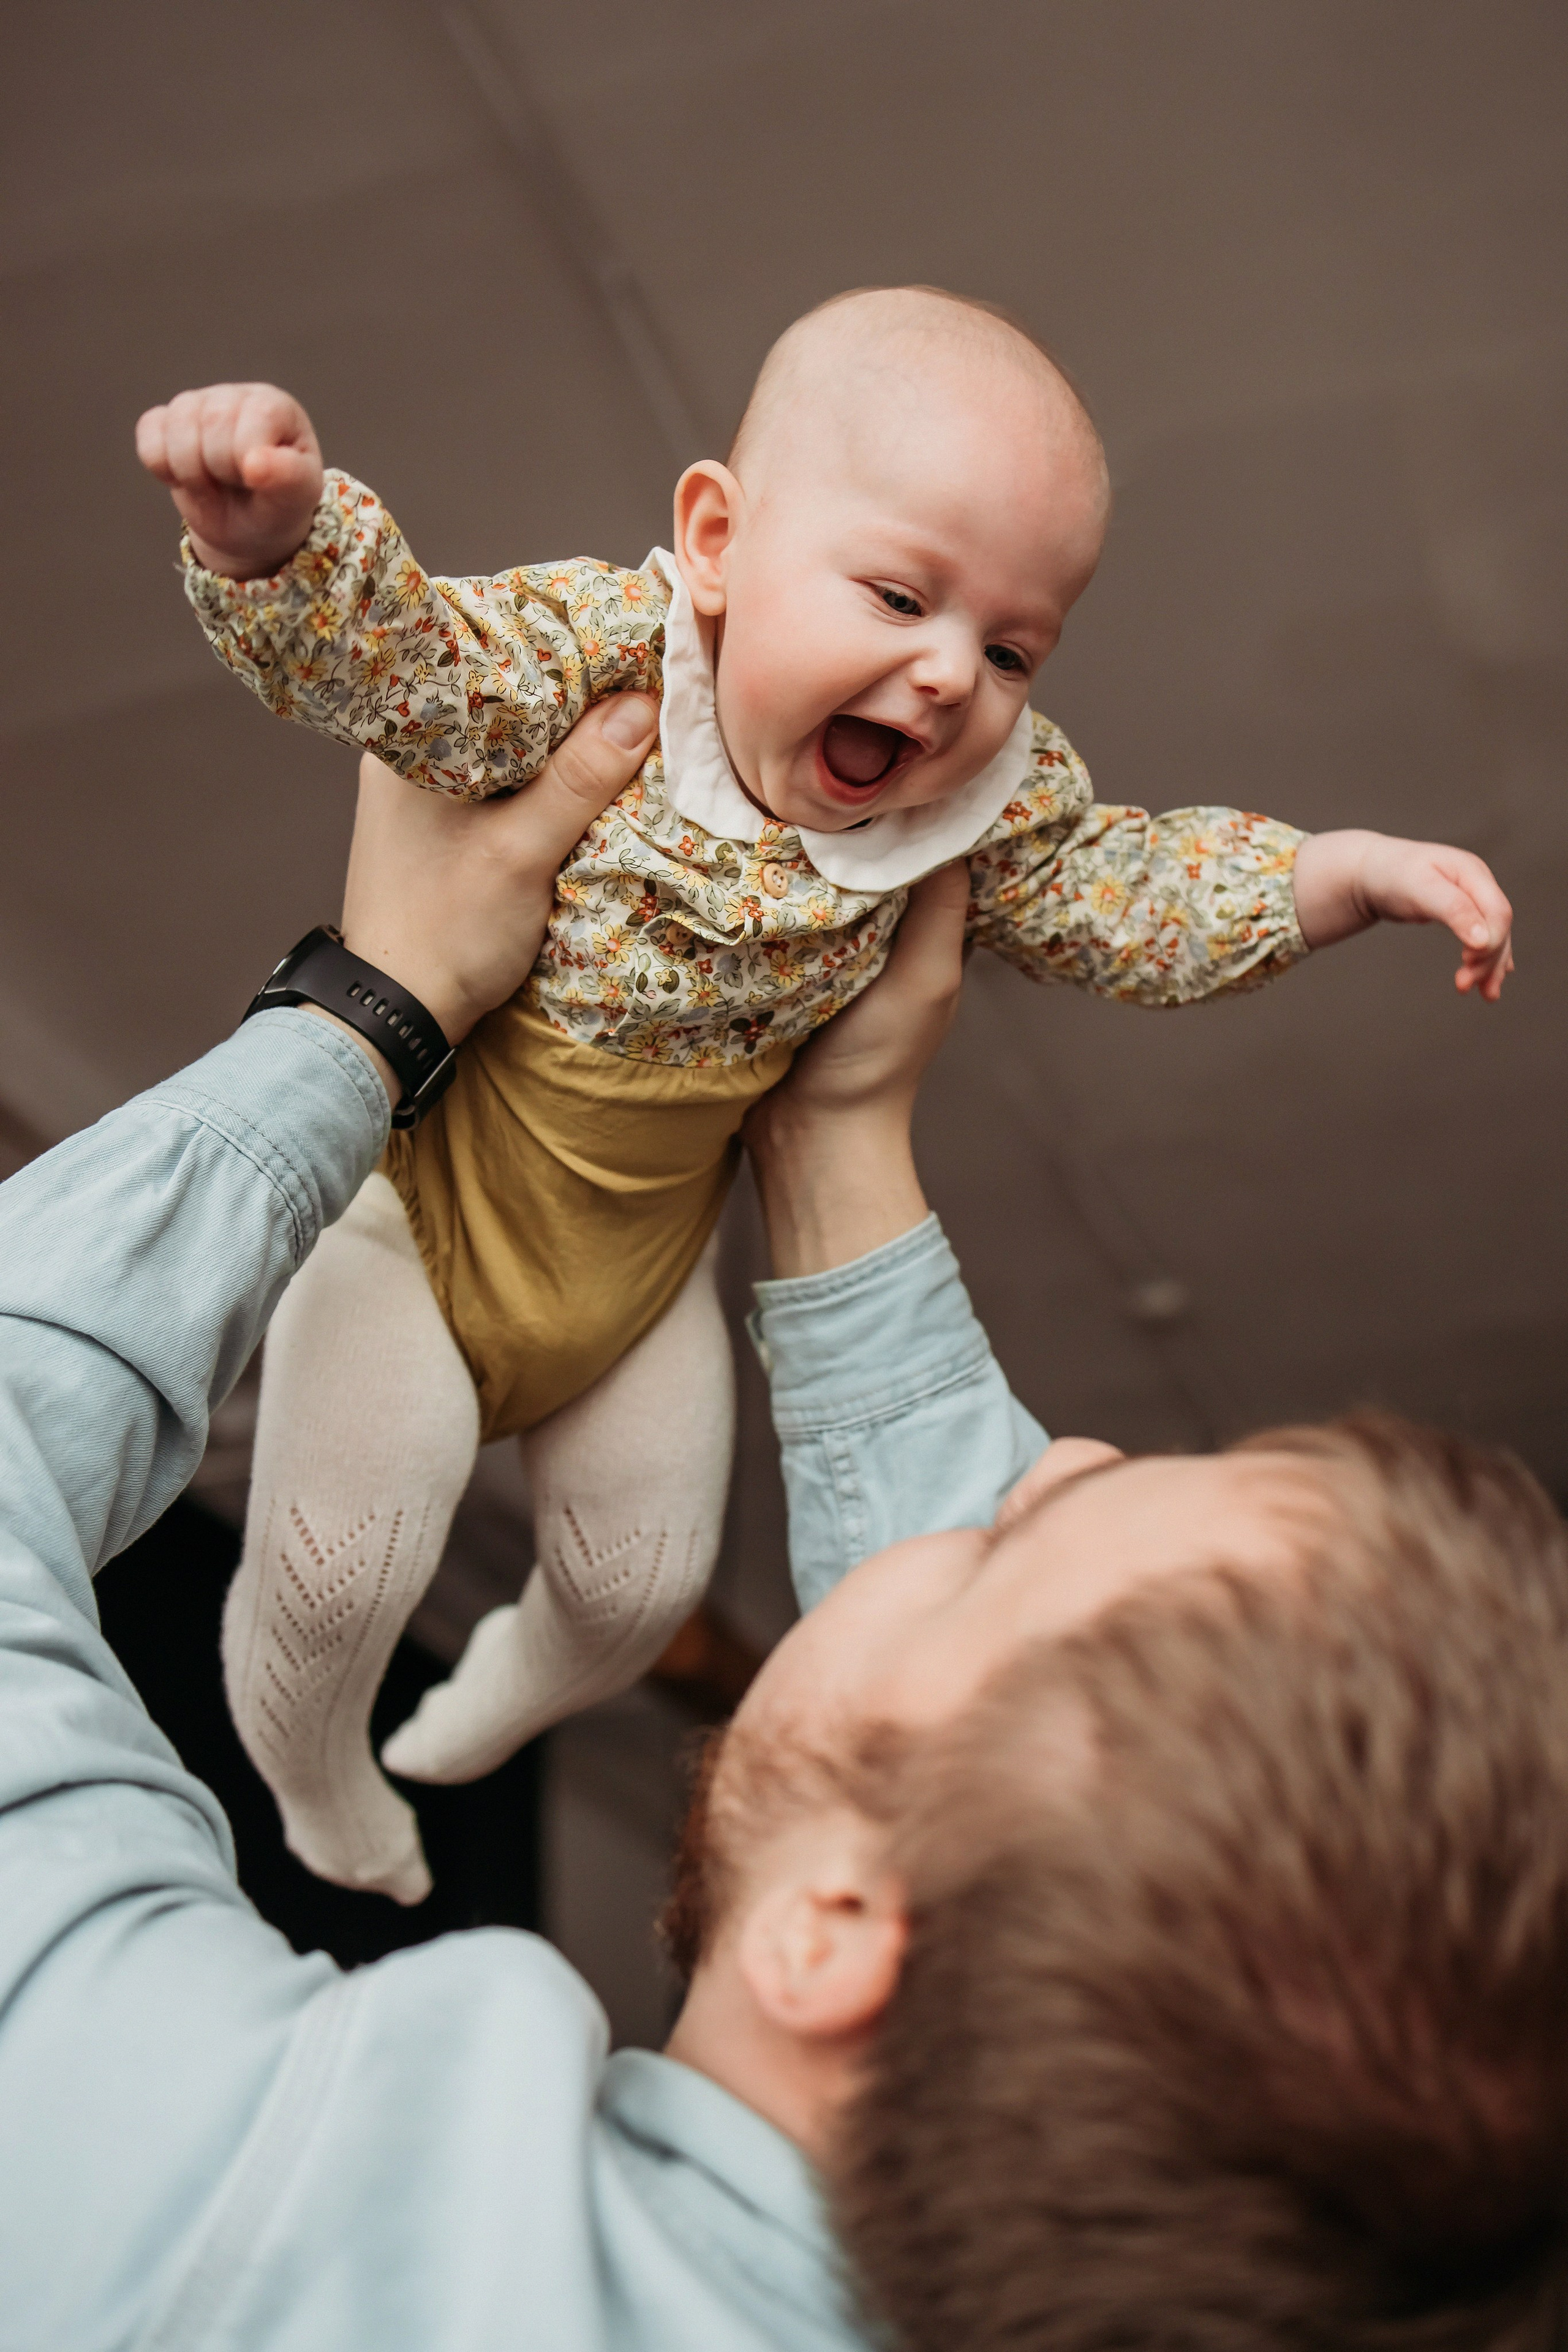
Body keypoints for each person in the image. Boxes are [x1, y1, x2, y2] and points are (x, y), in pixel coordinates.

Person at [0, 706, 1559, 2351]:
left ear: (831, 1935)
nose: (1054, 1457)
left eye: (1015, 1542)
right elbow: (995, 1788)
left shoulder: (291, 2219)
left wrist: (372, 1008)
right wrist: (838, 1137)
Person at [133, 285, 1514, 1905]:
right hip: (423, 1219)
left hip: (638, 1268)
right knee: (337, 1572)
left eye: (1011, 649)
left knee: (638, 1587)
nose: (947, 678)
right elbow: (408, 668)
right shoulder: (602, 657)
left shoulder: (979, 807)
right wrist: (277, 549)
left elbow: (1125, 891)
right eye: (900, 597)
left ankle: (502, 1694)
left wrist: (1331, 877)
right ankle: (314, 1774)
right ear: (717, 541)